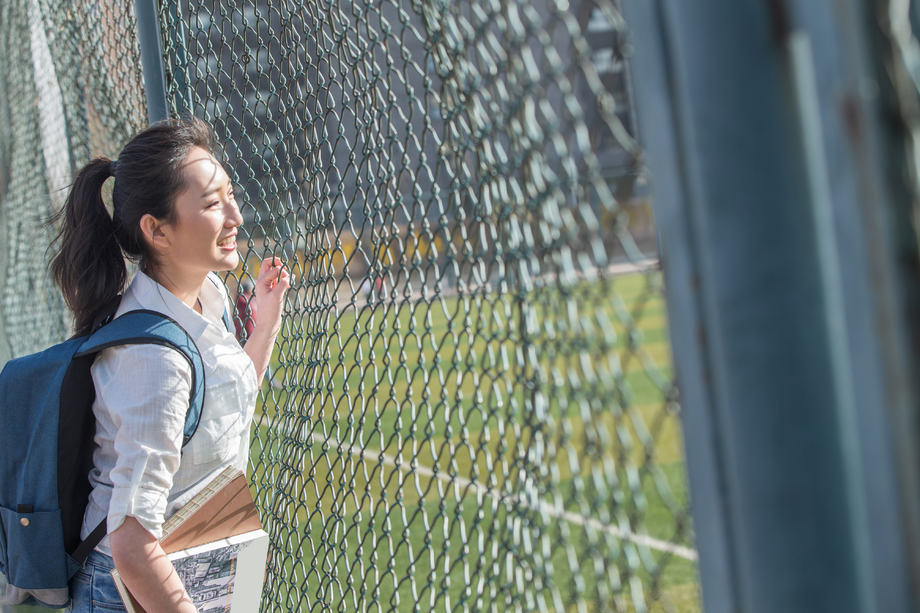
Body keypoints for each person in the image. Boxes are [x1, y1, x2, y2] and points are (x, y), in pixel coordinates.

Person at [49, 118, 290, 613]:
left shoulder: (207, 294)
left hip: (190, 563)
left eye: (229, 193)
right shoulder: (152, 360)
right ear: (157, 230)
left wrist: (263, 328)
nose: (235, 216)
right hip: (128, 591)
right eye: (211, 203)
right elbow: (131, 542)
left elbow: (220, 405)